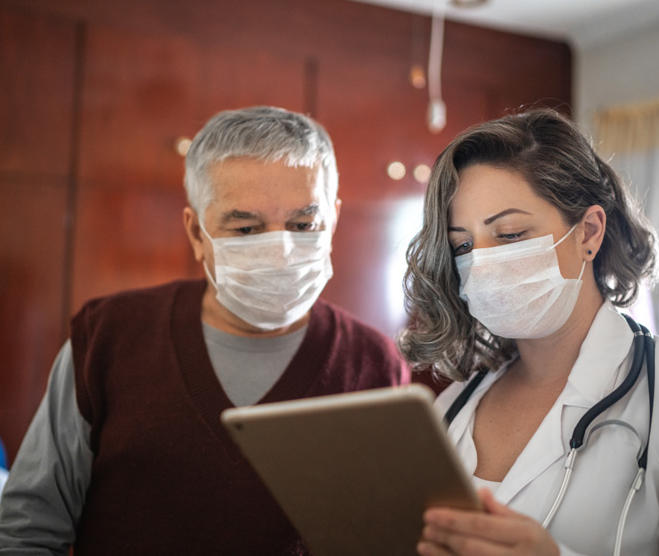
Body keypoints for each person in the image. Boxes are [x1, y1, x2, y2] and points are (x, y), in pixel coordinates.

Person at [0, 106, 410, 555]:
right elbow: (29, 528)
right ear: (197, 233)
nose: (280, 252)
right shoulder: (107, 339)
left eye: (303, 225)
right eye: (247, 228)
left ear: (332, 219)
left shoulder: (376, 367)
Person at [400, 108, 659, 555]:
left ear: (588, 232)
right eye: (462, 245)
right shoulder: (453, 408)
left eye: (509, 234)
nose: (481, 263)